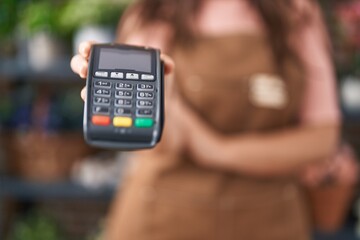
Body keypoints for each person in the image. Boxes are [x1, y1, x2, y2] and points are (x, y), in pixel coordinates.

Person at [71, 0, 341, 239]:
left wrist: (216, 148)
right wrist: (162, 106)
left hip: (271, 222)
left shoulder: (297, 11)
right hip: (161, 220)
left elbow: (322, 139)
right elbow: (164, 142)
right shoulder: (152, 12)